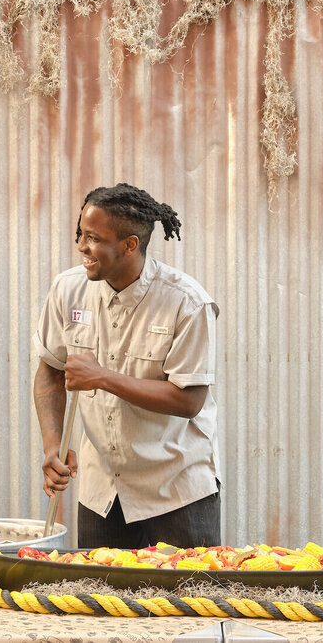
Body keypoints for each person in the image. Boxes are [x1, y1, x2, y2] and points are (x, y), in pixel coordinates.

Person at [33, 183, 221, 549]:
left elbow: (188, 402)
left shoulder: (188, 302)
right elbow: (50, 371)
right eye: (80, 234)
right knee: (100, 600)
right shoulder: (67, 290)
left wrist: (102, 377)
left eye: (92, 238)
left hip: (176, 493)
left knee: (187, 602)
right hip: (102, 493)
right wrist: (53, 446)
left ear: (129, 245)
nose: (81, 247)